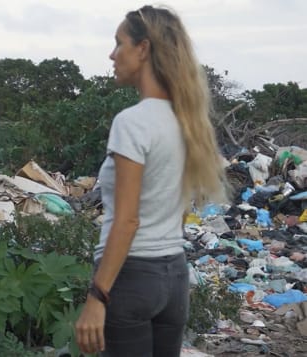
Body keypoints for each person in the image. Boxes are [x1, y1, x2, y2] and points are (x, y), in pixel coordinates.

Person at [75, 5, 227, 357]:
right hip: (174, 276)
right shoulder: (187, 120)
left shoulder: (133, 122)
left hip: (130, 281)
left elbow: (127, 220)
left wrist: (97, 298)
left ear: (142, 49)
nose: (112, 55)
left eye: (119, 44)